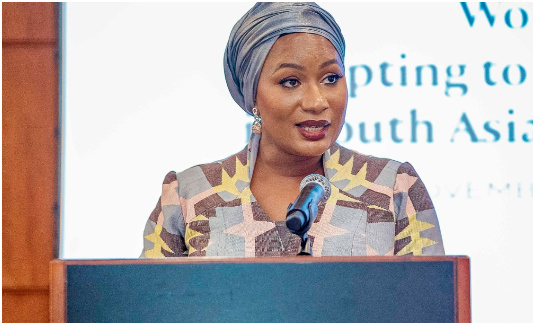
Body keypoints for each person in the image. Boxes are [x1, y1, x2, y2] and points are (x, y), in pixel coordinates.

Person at [141, 2, 444, 258]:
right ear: (252, 95)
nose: (317, 101)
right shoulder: (189, 195)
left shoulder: (392, 188)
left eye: (330, 78)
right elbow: (150, 317)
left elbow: (432, 316)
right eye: (291, 81)